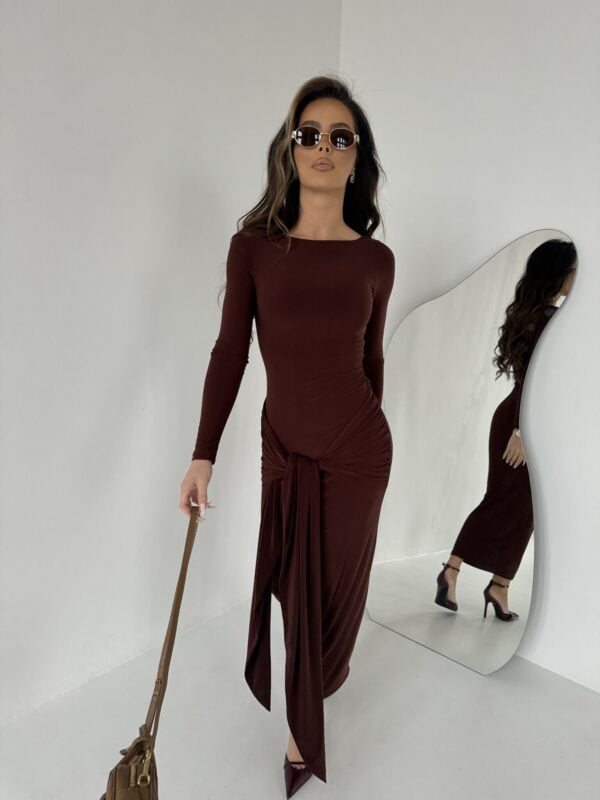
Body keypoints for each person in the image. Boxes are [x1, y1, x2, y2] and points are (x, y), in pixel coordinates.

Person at [178, 75, 395, 797]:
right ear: (290, 149)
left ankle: (311, 711)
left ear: (357, 157)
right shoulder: (253, 249)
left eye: (340, 136)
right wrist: (203, 454)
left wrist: (365, 436)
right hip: (287, 448)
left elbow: (372, 362)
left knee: (336, 595)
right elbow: (229, 354)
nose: (323, 146)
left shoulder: (375, 260)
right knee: (294, 588)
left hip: (360, 454)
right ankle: (311, 700)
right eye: (309, 134)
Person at [435, 239, 577, 620]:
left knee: (527, 508)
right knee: (501, 500)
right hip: (519, 422)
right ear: (559, 274)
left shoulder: (542, 315)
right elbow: (533, 379)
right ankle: (451, 571)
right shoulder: (547, 319)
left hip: (526, 420)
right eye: (573, 272)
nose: (576, 279)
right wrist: (520, 431)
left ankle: (498, 585)